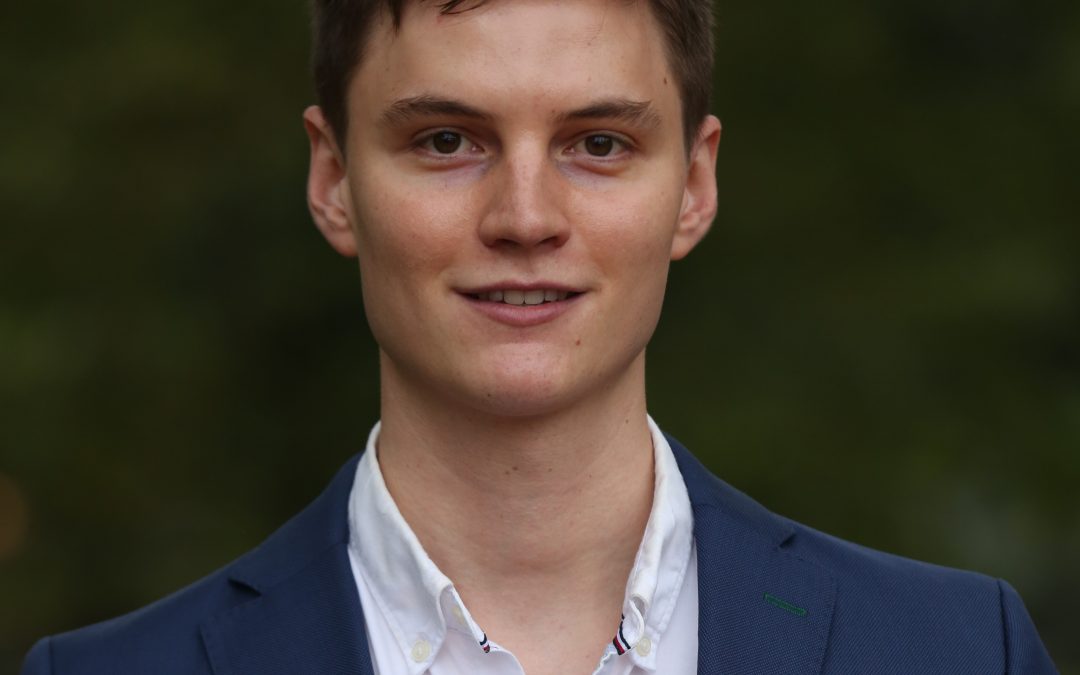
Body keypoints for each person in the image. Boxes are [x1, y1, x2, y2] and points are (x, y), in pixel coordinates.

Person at [22, 0, 1056, 673]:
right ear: (333, 179)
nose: (525, 217)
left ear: (694, 185)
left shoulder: (959, 651)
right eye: (446, 141)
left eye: (598, 143)